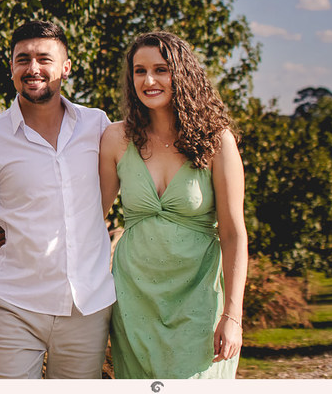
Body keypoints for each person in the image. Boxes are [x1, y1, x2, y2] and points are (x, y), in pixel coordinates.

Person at [0, 20, 115, 378]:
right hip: (16, 304)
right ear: (11, 68)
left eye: (44, 58)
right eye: (23, 59)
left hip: (88, 305)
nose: (33, 68)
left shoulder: (98, 126)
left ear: (65, 68)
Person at [99, 30, 248, 379]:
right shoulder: (116, 139)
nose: (148, 80)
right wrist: (18, 230)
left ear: (181, 73)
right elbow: (87, 217)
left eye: (160, 69)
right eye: (139, 71)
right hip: (134, 297)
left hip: (199, 298)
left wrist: (233, 315)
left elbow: (233, 233)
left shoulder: (218, 141)